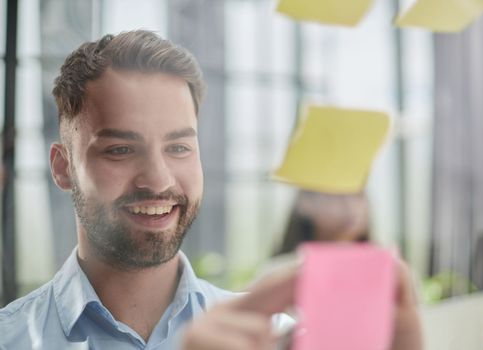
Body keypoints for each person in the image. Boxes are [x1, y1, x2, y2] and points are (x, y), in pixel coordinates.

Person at [0, 30, 422, 350]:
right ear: (62, 167)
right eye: (121, 150)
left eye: (179, 147)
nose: (160, 179)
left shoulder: (275, 337)